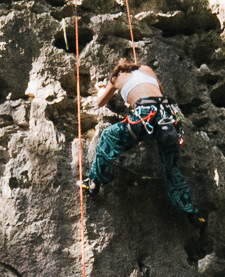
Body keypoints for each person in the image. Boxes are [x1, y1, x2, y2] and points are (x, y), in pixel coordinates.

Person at [83, 53, 202, 229]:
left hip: (145, 115)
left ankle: (94, 181)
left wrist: (104, 91)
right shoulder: (146, 69)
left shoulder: (116, 76)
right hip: (167, 117)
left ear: (117, 70)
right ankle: (191, 213)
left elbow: (101, 102)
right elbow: (160, 91)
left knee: (108, 136)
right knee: (171, 168)